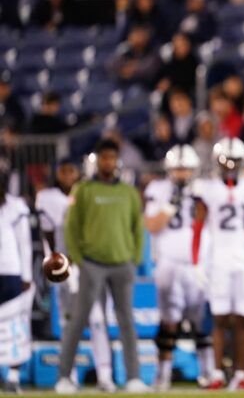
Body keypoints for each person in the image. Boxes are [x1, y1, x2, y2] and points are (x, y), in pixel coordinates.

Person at [55, 139, 148, 394]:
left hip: (122, 264)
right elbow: (71, 227)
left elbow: (137, 228)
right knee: (79, 320)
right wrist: (79, 259)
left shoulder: (128, 192)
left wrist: (135, 258)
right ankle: (64, 377)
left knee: (127, 321)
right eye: (103, 157)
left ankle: (133, 378)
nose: (108, 162)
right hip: (92, 265)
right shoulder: (83, 189)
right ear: (96, 160)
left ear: (117, 161)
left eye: (111, 157)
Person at [191, 137, 244, 390]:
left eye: (234, 161)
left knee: (243, 319)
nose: (229, 166)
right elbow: (198, 227)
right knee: (220, 318)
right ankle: (216, 373)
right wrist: (197, 262)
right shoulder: (207, 187)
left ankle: (241, 374)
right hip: (218, 258)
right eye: (225, 162)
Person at [36, 159, 115, 392]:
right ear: (57, 173)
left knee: (98, 320)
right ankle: (68, 376)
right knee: (70, 323)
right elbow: (48, 233)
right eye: (64, 171)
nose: (69, 175)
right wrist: (57, 263)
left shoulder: (91, 193)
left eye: (72, 170)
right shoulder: (48, 197)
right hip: (66, 262)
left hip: (90, 263)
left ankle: (105, 374)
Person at [143, 145, 214, 391]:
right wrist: (170, 205)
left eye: (186, 169)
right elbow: (151, 225)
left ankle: (209, 373)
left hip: (199, 262)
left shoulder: (205, 188)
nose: (182, 174)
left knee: (202, 323)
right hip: (169, 261)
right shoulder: (158, 189)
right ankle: (162, 376)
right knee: (168, 322)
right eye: (178, 169)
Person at [0, 162, 32, 394]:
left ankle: (13, 376)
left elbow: (25, 243)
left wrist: (27, 274)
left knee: (15, 324)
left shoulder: (15, 206)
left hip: (11, 271)